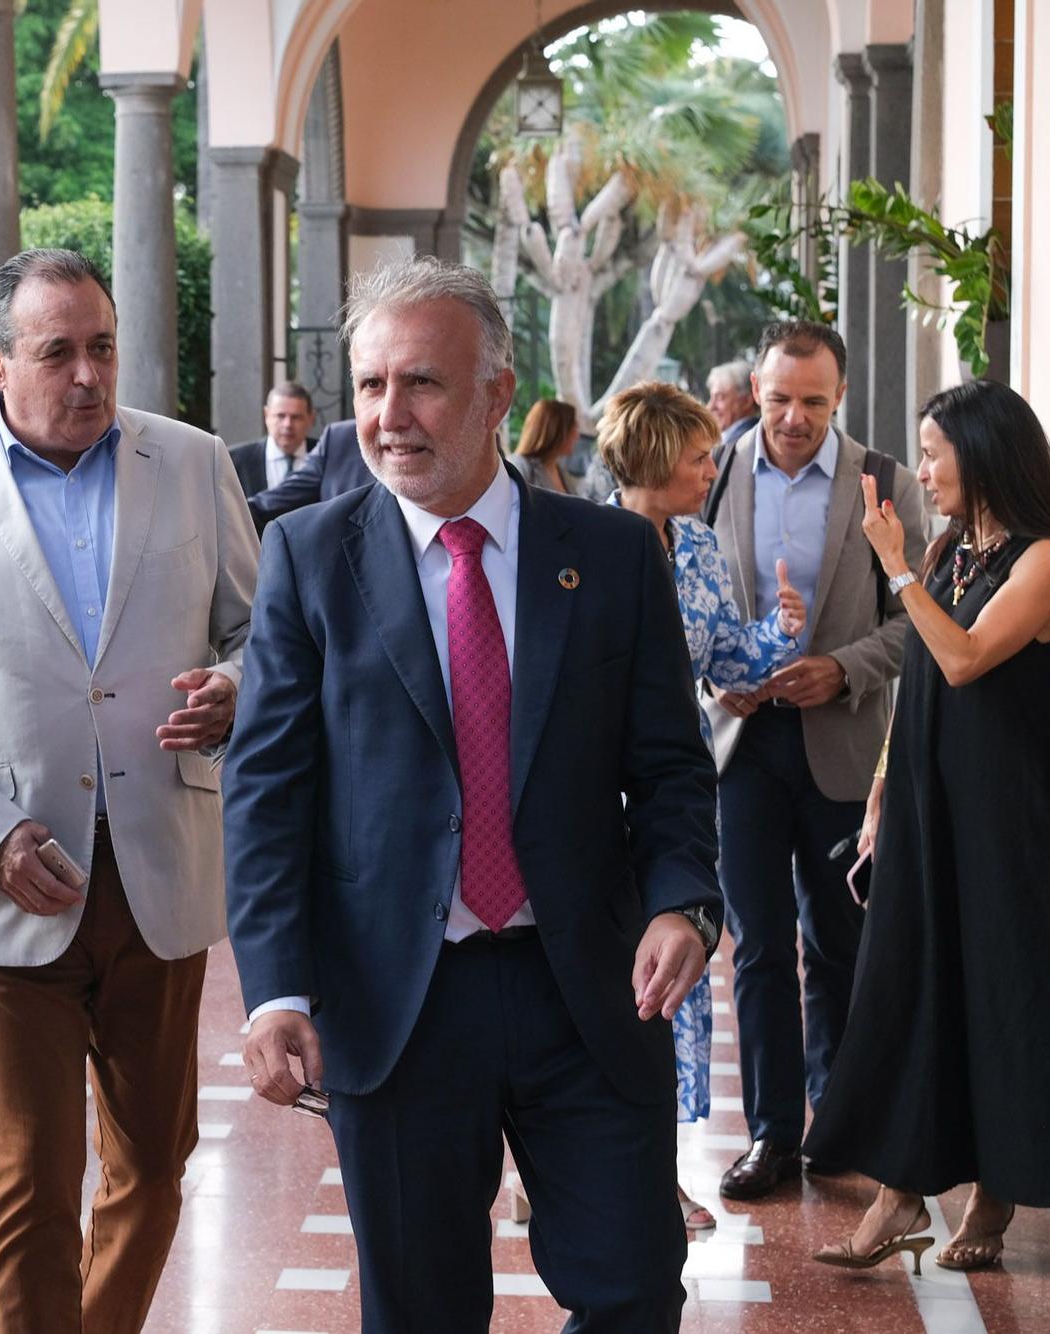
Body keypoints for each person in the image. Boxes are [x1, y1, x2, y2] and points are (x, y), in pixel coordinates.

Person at [225, 257, 721, 1333]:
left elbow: (672, 766)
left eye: (421, 384)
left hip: (584, 988)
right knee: (418, 1313)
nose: (387, 416)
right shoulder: (308, 559)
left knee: (633, 1288)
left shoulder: (611, 555)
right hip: (397, 1004)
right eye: (367, 386)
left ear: (496, 393)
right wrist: (274, 991)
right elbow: (266, 791)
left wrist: (682, 900)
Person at [0, 248, 260, 1334]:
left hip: (158, 868)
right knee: (31, 1177)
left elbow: (255, 629)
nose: (86, 375)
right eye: (54, 353)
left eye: (101, 348)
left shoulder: (188, 460)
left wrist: (230, 685)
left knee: (156, 1164)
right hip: (8, 885)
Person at [805, 379, 1050, 1273]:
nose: (924, 469)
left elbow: (966, 658)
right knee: (912, 988)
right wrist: (882, 791)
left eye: (935, 452)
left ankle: (994, 1192)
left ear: (986, 452)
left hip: (1005, 816)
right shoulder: (950, 551)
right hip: (928, 803)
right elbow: (920, 686)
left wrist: (896, 569)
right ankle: (899, 1195)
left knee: (1000, 994)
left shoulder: (1048, 560)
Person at [704, 320, 929, 1202]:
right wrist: (718, 685)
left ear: (840, 399)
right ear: (757, 391)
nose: (793, 418)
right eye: (778, 399)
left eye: (813, 402)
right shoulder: (714, 473)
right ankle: (772, 1135)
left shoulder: (887, 485)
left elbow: (916, 622)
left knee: (838, 941)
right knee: (757, 945)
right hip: (743, 747)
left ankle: (837, 1120)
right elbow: (678, 606)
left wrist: (842, 670)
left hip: (842, 747)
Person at [599, 381, 807, 1233]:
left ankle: (659, 1173)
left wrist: (783, 632)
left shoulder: (696, 548)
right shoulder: (575, 540)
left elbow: (729, 656)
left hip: (673, 789)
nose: (711, 467)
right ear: (653, 458)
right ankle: (552, 1162)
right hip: (581, 793)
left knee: (673, 974)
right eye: (698, 455)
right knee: (584, 975)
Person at [245, 417, 373, 530]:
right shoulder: (339, 438)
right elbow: (282, 497)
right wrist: (234, 509)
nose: (288, 424)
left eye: (296, 417)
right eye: (373, 387)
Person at [228, 382, 317, 498]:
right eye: (280, 416)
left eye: (296, 417)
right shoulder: (236, 461)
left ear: (311, 418)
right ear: (266, 415)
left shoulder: (325, 457)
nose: (287, 425)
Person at [707, 359, 759, 446]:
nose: (710, 406)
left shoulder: (740, 445)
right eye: (711, 398)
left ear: (746, 401)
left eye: (720, 397)